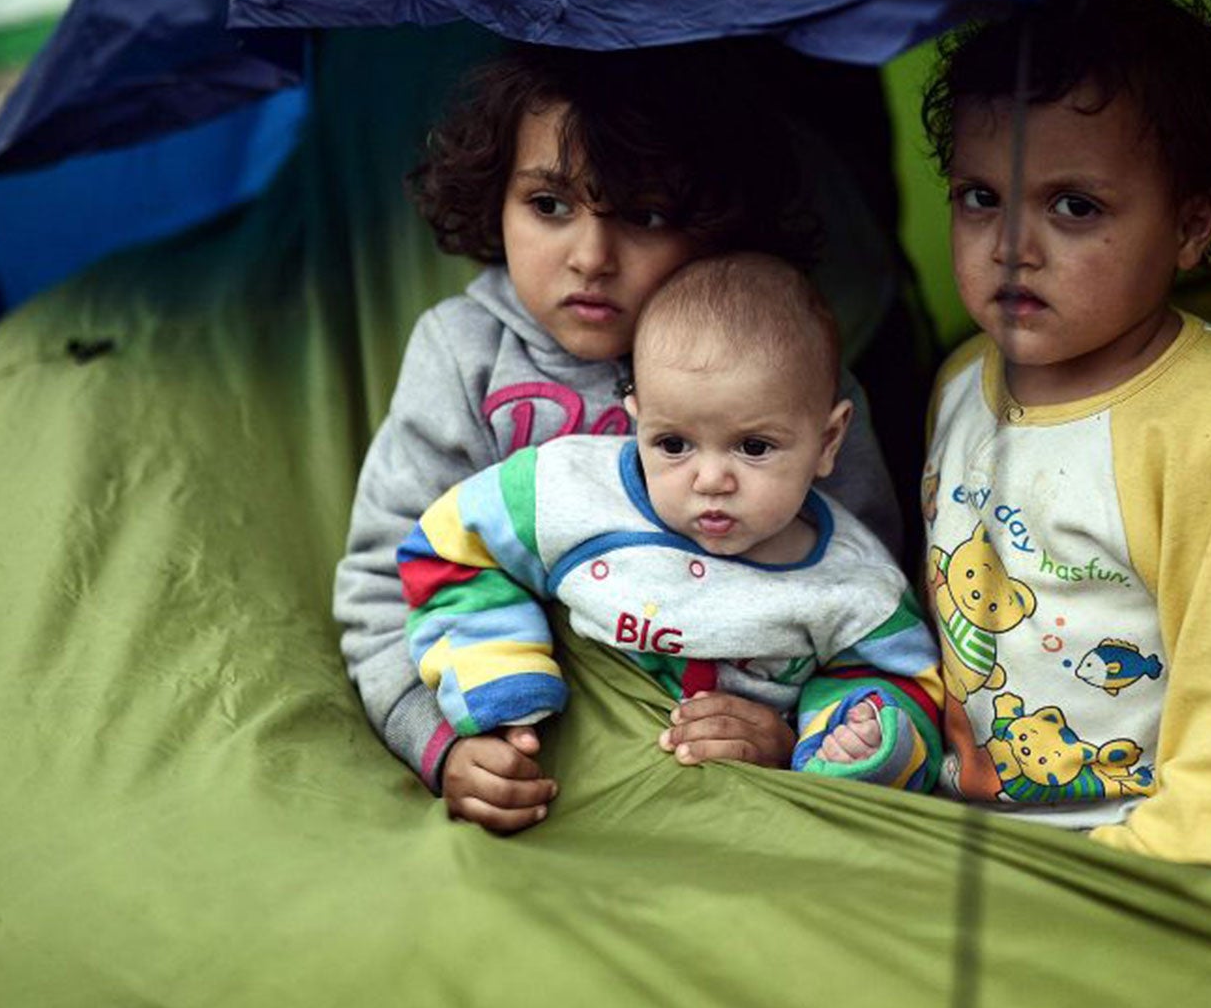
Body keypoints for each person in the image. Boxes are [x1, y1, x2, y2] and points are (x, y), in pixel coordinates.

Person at [333, 43, 905, 834]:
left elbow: (865, 607)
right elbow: (385, 581)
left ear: (718, 219)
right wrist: (440, 747)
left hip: (732, 794)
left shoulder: (791, 377)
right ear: (495, 196)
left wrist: (798, 737)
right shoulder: (466, 356)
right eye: (550, 205)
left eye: (645, 215)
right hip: (538, 773)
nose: (592, 258)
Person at [918, 0, 1211, 865]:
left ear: (1190, 228)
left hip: (1135, 867)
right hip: (954, 838)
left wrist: (1148, 881)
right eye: (980, 197)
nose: (1011, 248)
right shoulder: (959, 381)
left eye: (1074, 206)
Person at [399, 254, 944, 803]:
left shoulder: (854, 584)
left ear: (828, 441)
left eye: (754, 448)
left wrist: (847, 742)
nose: (710, 480)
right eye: (673, 444)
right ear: (637, 418)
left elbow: (904, 688)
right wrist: (496, 676)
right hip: (572, 777)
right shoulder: (566, 491)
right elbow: (447, 548)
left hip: (739, 806)